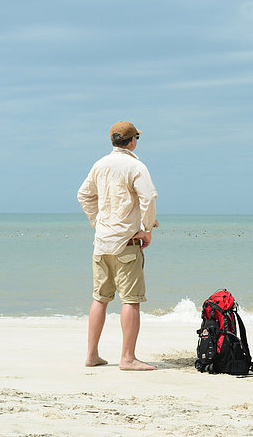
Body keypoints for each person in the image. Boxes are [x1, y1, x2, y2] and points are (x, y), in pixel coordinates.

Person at [77, 121, 159, 371]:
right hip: (126, 242)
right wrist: (146, 230)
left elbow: (84, 195)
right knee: (131, 301)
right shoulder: (136, 166)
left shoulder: (99, 165)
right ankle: (127, 358)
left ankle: (92, 355)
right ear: (132, 140)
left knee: (99, 299)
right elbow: (149, 197)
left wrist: (96, 221)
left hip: (101, 243)